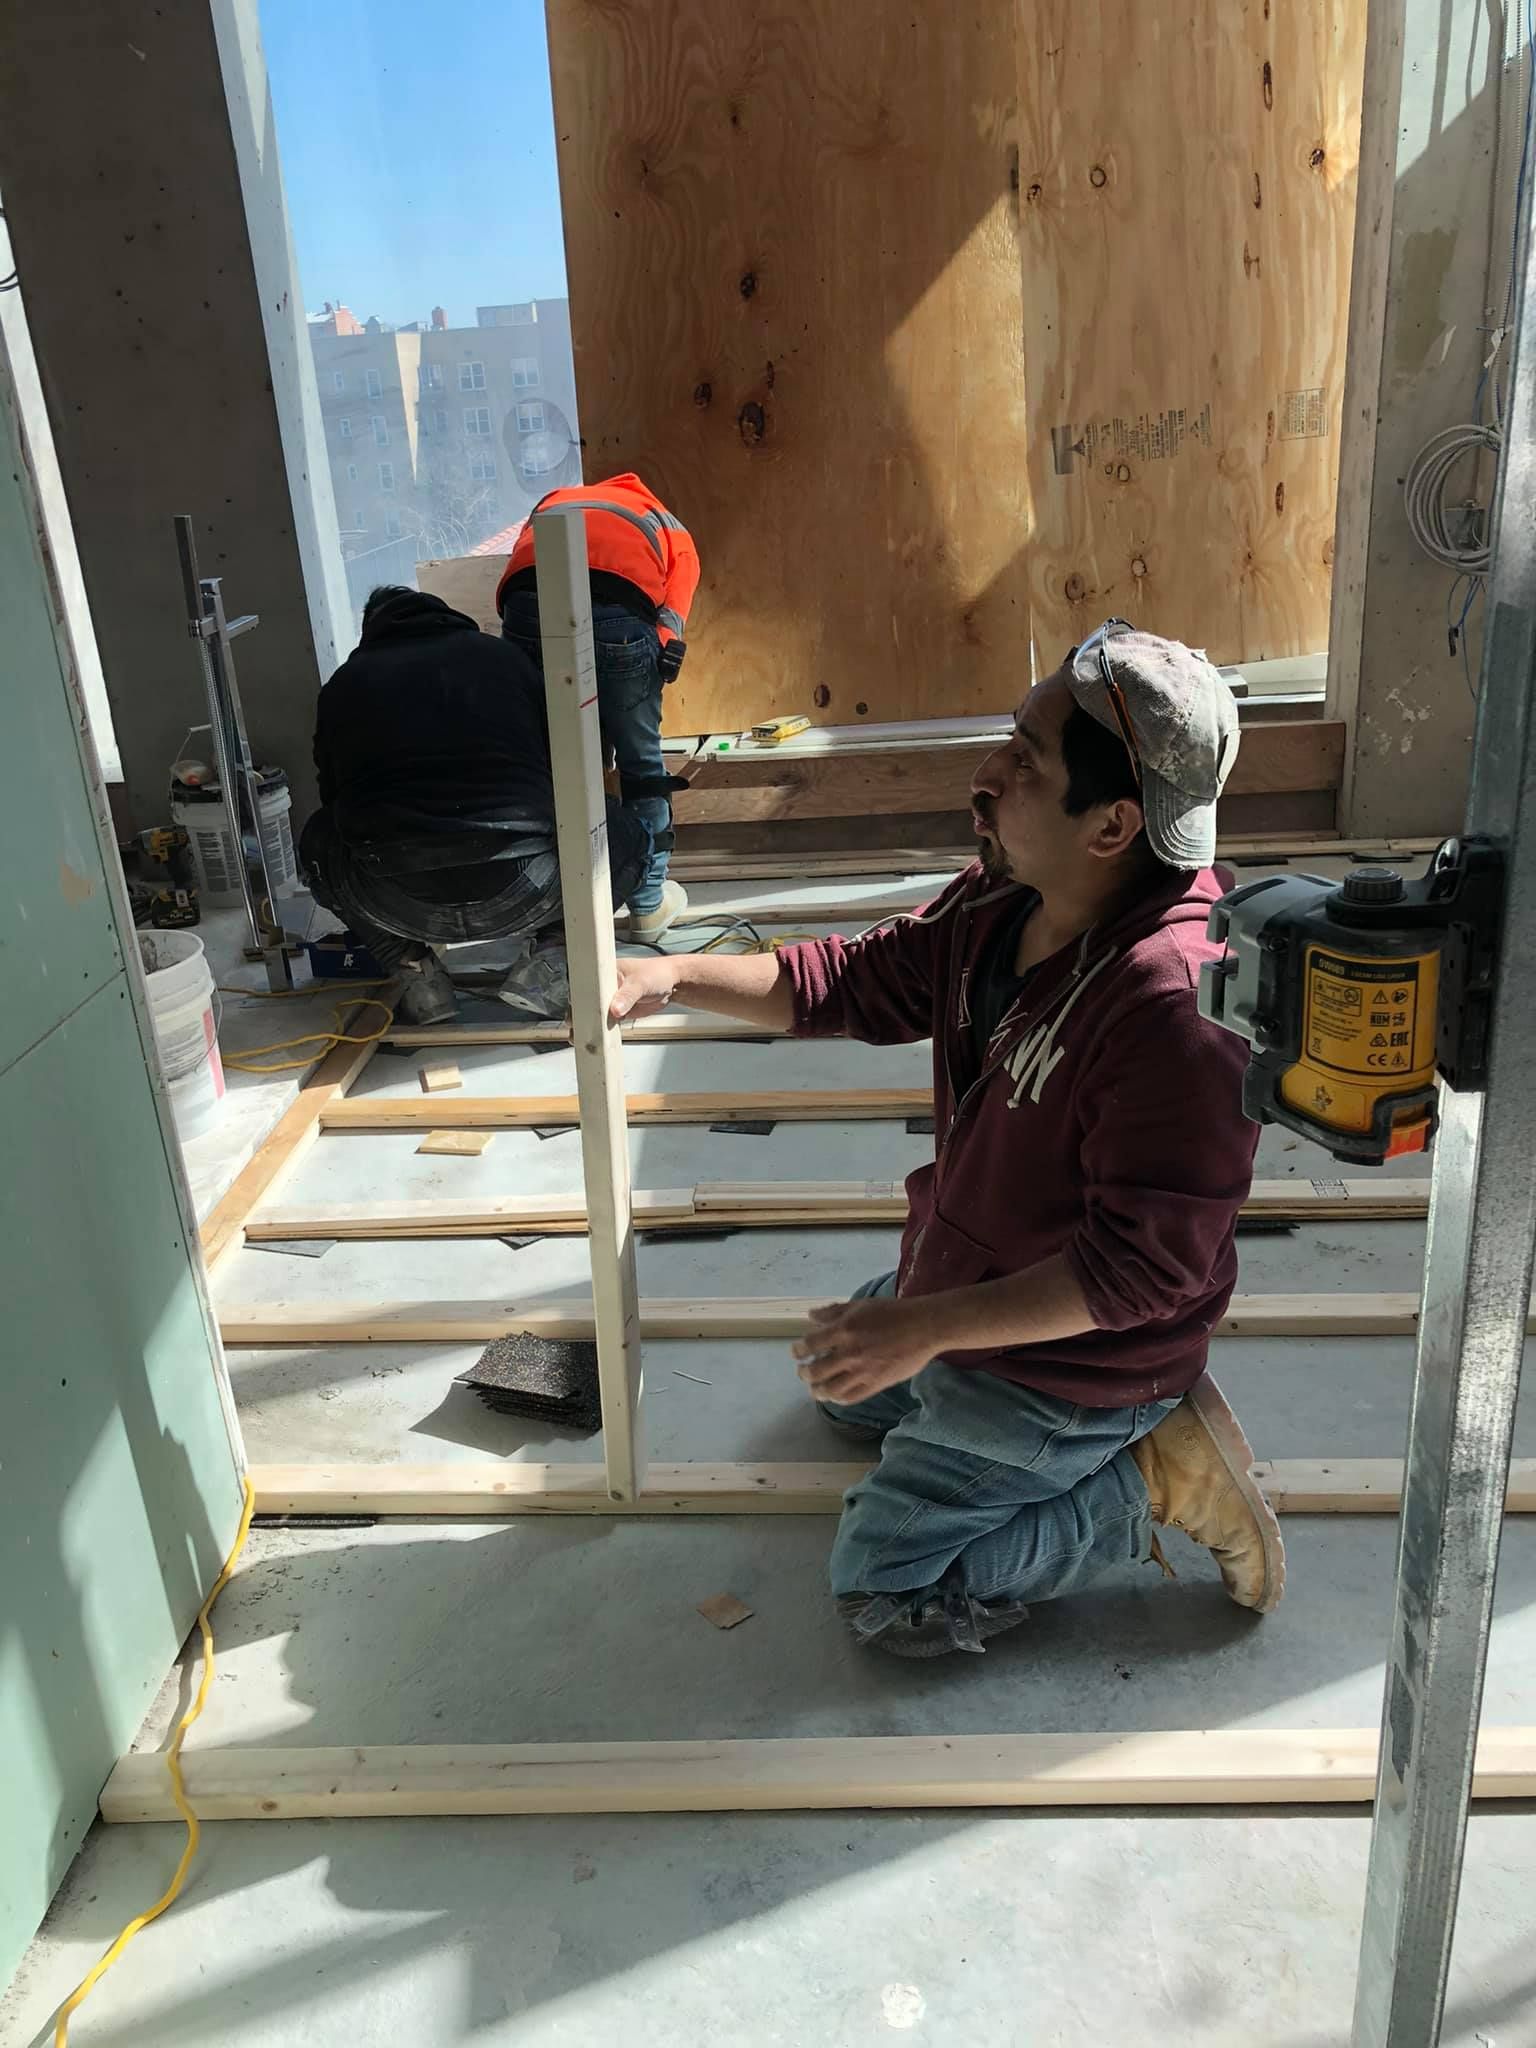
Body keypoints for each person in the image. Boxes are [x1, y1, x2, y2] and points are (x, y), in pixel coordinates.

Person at [608, 621, 1284, 1658]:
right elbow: (854, 979)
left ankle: (1148, 1476)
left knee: (883, 1587)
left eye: (1026, 758)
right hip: (981, 1272)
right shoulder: (1013, 894)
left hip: (1084, 1362)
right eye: (1009, 736)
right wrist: (670, 976)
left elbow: (1138, 1272)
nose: (989, 773)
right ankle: (950, 1345)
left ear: (1111, 825)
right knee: (843, 1399)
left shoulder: (1175, 1009)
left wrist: (928, 1329)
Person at [300, 585, 650, 1026]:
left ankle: (415, 975)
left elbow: (332, 796)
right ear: (447, 616)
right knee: (627, 832)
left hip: (395, 896)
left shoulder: (343, 685)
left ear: (373, 631)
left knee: (316, 840)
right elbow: (565, 767)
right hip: (529, 885)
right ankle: (554, 959)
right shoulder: (501, 659)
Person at [497, 472, 700, 940]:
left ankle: (552, 915)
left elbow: (520, 576)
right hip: (622, 614)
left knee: (548, 765)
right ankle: (648, 907)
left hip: (529, 607)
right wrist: (659, 653)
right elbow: (672, 609)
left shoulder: (555, 501)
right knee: (641, 765)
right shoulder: (667, 523)